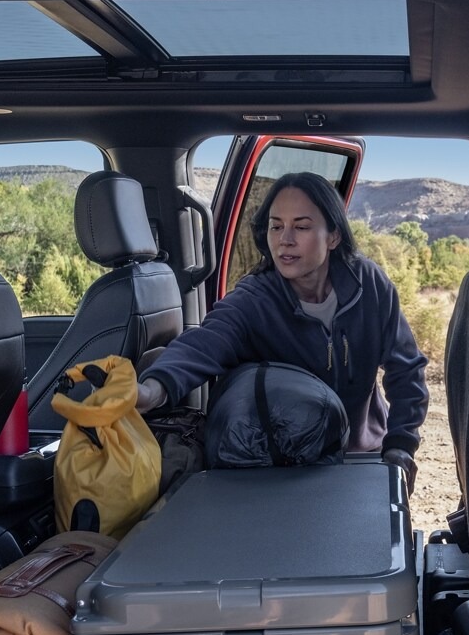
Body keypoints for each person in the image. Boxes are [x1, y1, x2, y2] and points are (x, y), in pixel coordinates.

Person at [136, 171, 428, 492]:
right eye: (276, 226)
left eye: (301, 226)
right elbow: (205, 342)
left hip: (364, 455)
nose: (284, 239)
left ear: (333, 236)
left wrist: (400, 444)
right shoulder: (254, 298)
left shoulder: (368, 284)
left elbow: (406, 370)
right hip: (290, 467)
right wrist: (153, 389)